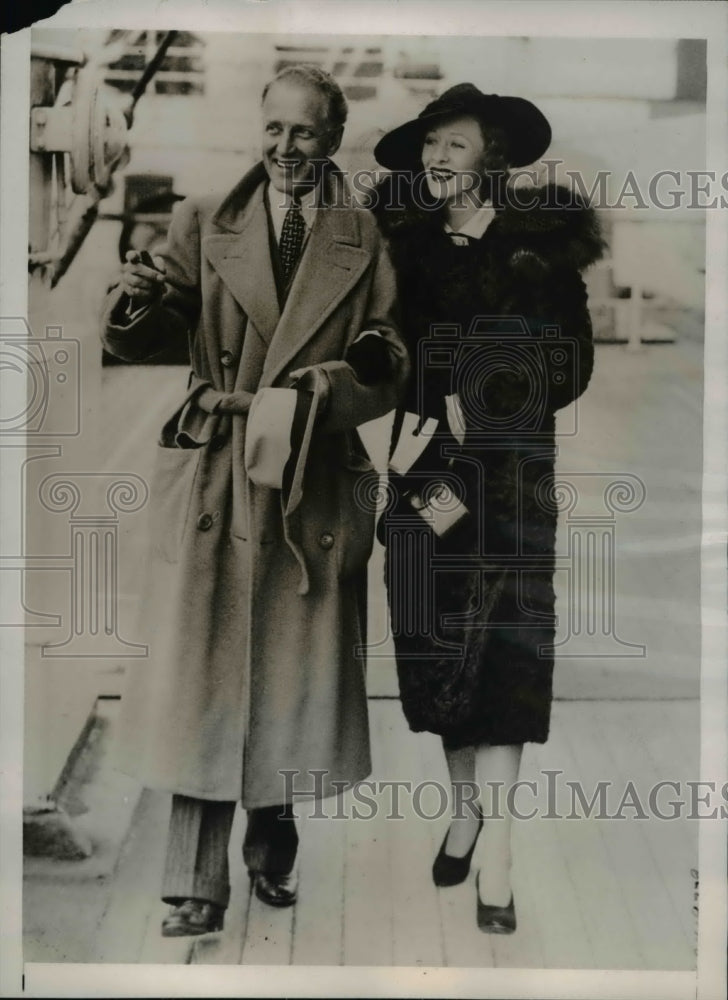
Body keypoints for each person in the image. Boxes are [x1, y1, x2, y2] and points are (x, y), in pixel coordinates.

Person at [102, 65, 408, 936]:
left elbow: (390, 353)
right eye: (273, 128)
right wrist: (136, 303)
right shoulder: (204, 217)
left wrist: (334, 383)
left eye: (304, 132)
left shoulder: (365, 233)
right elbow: (153, 330)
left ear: (332, 138)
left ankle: (273, 841)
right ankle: (193, 882)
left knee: (288, 672)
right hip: (217, 464)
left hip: (310, 472)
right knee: (205, 670)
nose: (285, 148)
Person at [371, 83, 605, 933]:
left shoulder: (539, 250)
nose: (438, 158)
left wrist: (490, 389)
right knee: (439, 650)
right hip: (426, 477)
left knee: (507, 657)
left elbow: (573, 363)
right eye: (430, 143)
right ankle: (463, 808)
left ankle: (497, 855)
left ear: (492, 158)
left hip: (510, 487)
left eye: (456, 144)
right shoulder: (402, 249)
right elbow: (381, 352)